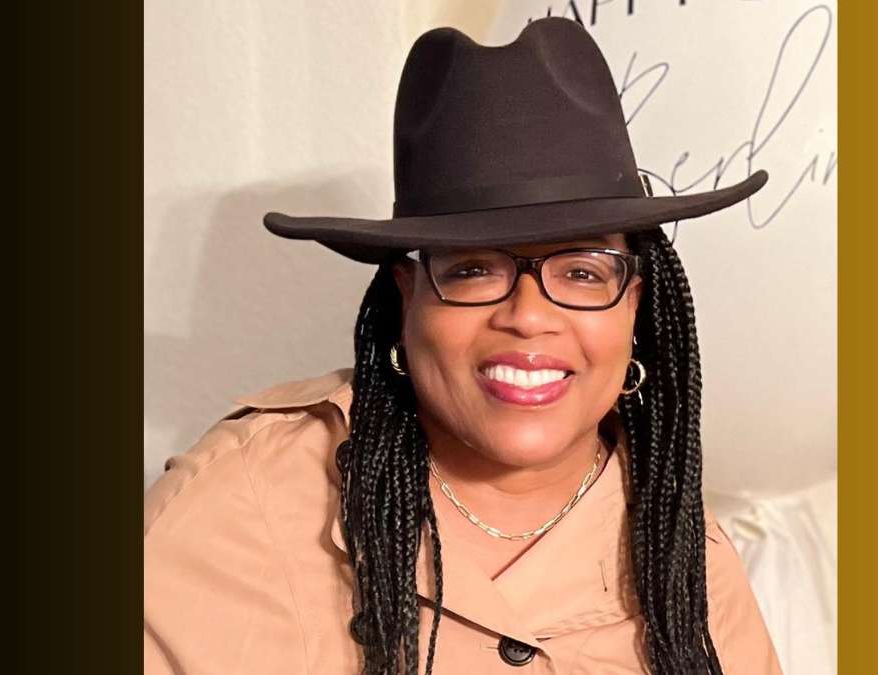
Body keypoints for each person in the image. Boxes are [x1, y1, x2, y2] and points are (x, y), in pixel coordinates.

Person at [145, 16, 782, 675]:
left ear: (634, 308)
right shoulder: (234, 513)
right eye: (474, 269)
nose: (528, 317)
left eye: (583, 272)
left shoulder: (686, 553)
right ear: (408, 299)